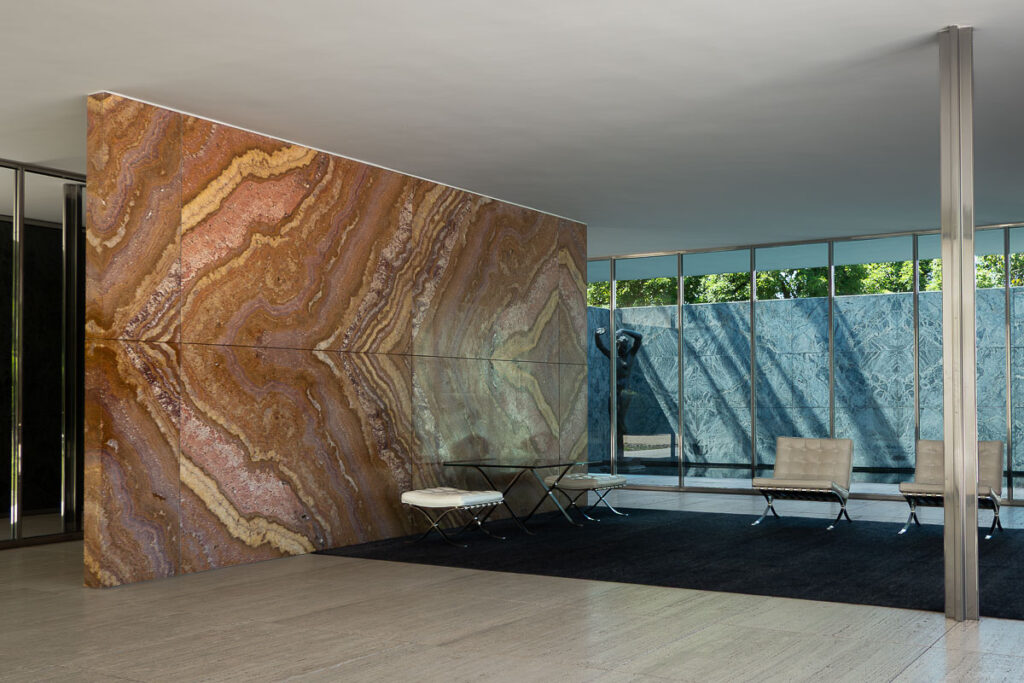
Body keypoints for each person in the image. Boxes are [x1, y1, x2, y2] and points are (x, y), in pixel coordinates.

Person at [594, 327, 643, 458]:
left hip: (625, 392)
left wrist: (623, 330)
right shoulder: (613, 357)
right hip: (614, 392)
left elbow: (639, 337)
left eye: (625, 344)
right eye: (621, 344)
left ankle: (623, 449)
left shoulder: (630, 355)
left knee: (620, 420)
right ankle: (619, 449)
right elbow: (600, 346)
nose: (624, 346)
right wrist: (597, 335)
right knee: (614, 420)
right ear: (617, 345)